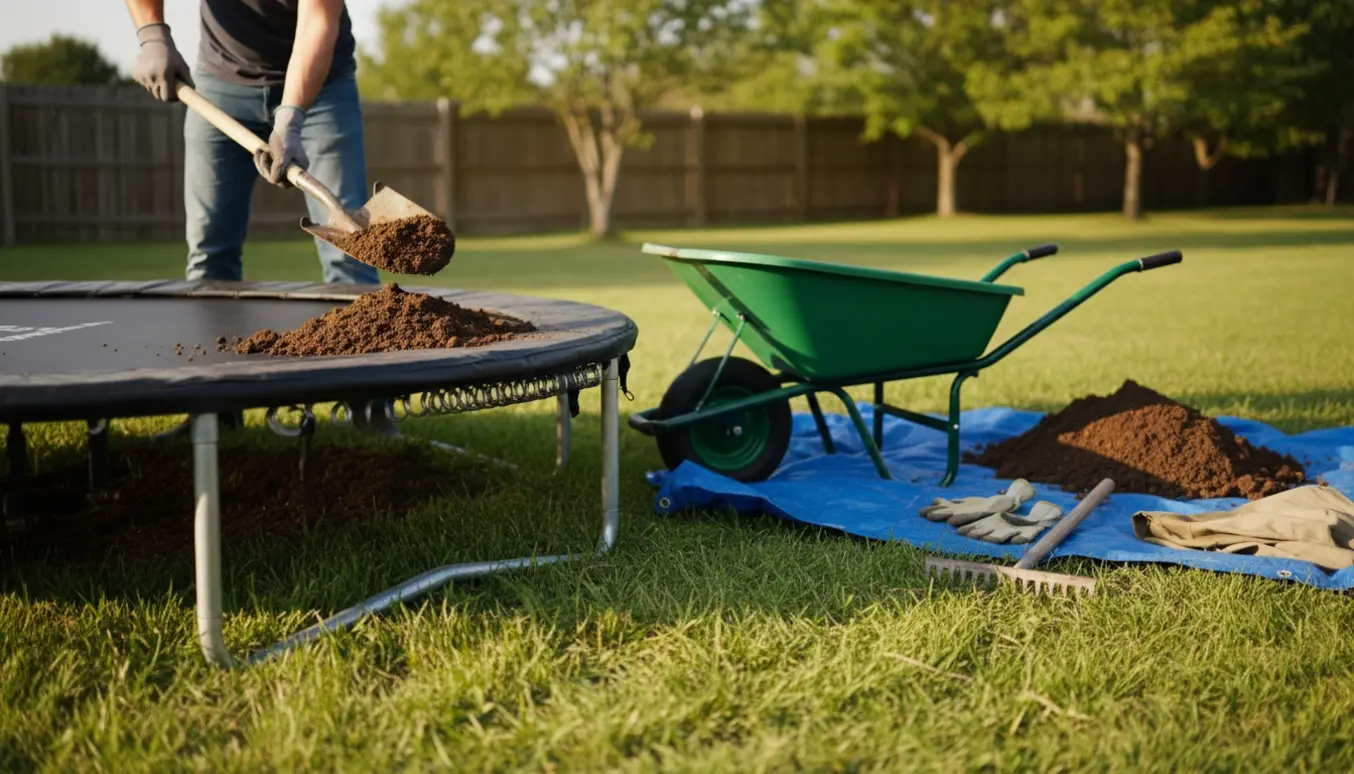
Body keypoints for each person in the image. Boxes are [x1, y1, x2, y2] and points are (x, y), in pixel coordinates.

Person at [124, 0, 379, 286]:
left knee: (351, 253)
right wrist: (152, 34)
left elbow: (318, 19)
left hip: (323, 89)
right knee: (210, 254)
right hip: (221, 83)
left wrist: (292, 117)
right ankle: (211, 332)